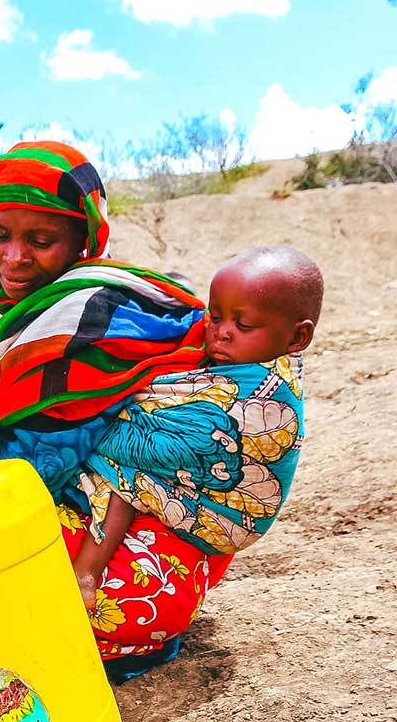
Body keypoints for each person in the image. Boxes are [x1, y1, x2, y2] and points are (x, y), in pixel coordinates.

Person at [0, 143, 312, 681]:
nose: (14, 257)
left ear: (82, 240)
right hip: (129, 564)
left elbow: (3, 461)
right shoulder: (84, 310)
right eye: (0, 234)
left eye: (40, 241)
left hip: (134, 585)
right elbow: (14, 415)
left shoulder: (104, 327)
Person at [69, 245, 323, 612]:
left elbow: (153, 429)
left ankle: (86, 571)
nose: (221, 333)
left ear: (297, 338)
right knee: (127, 474)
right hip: (176, 509)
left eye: (243, 325)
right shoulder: (233, 358)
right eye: (215, 317)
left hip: (216, 509)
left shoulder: (266, 393)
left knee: (122, 475)